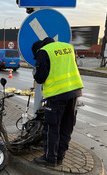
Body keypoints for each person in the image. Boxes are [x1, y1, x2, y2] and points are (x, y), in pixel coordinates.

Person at [32, 37, 84, 167]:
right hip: (74, 92)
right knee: (67, 126)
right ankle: (60, 157)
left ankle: (50, 159)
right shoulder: (69, 48)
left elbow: (40, 78)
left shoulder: (44, 51)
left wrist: (35, 71)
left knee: (52, 127)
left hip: (57, 95)